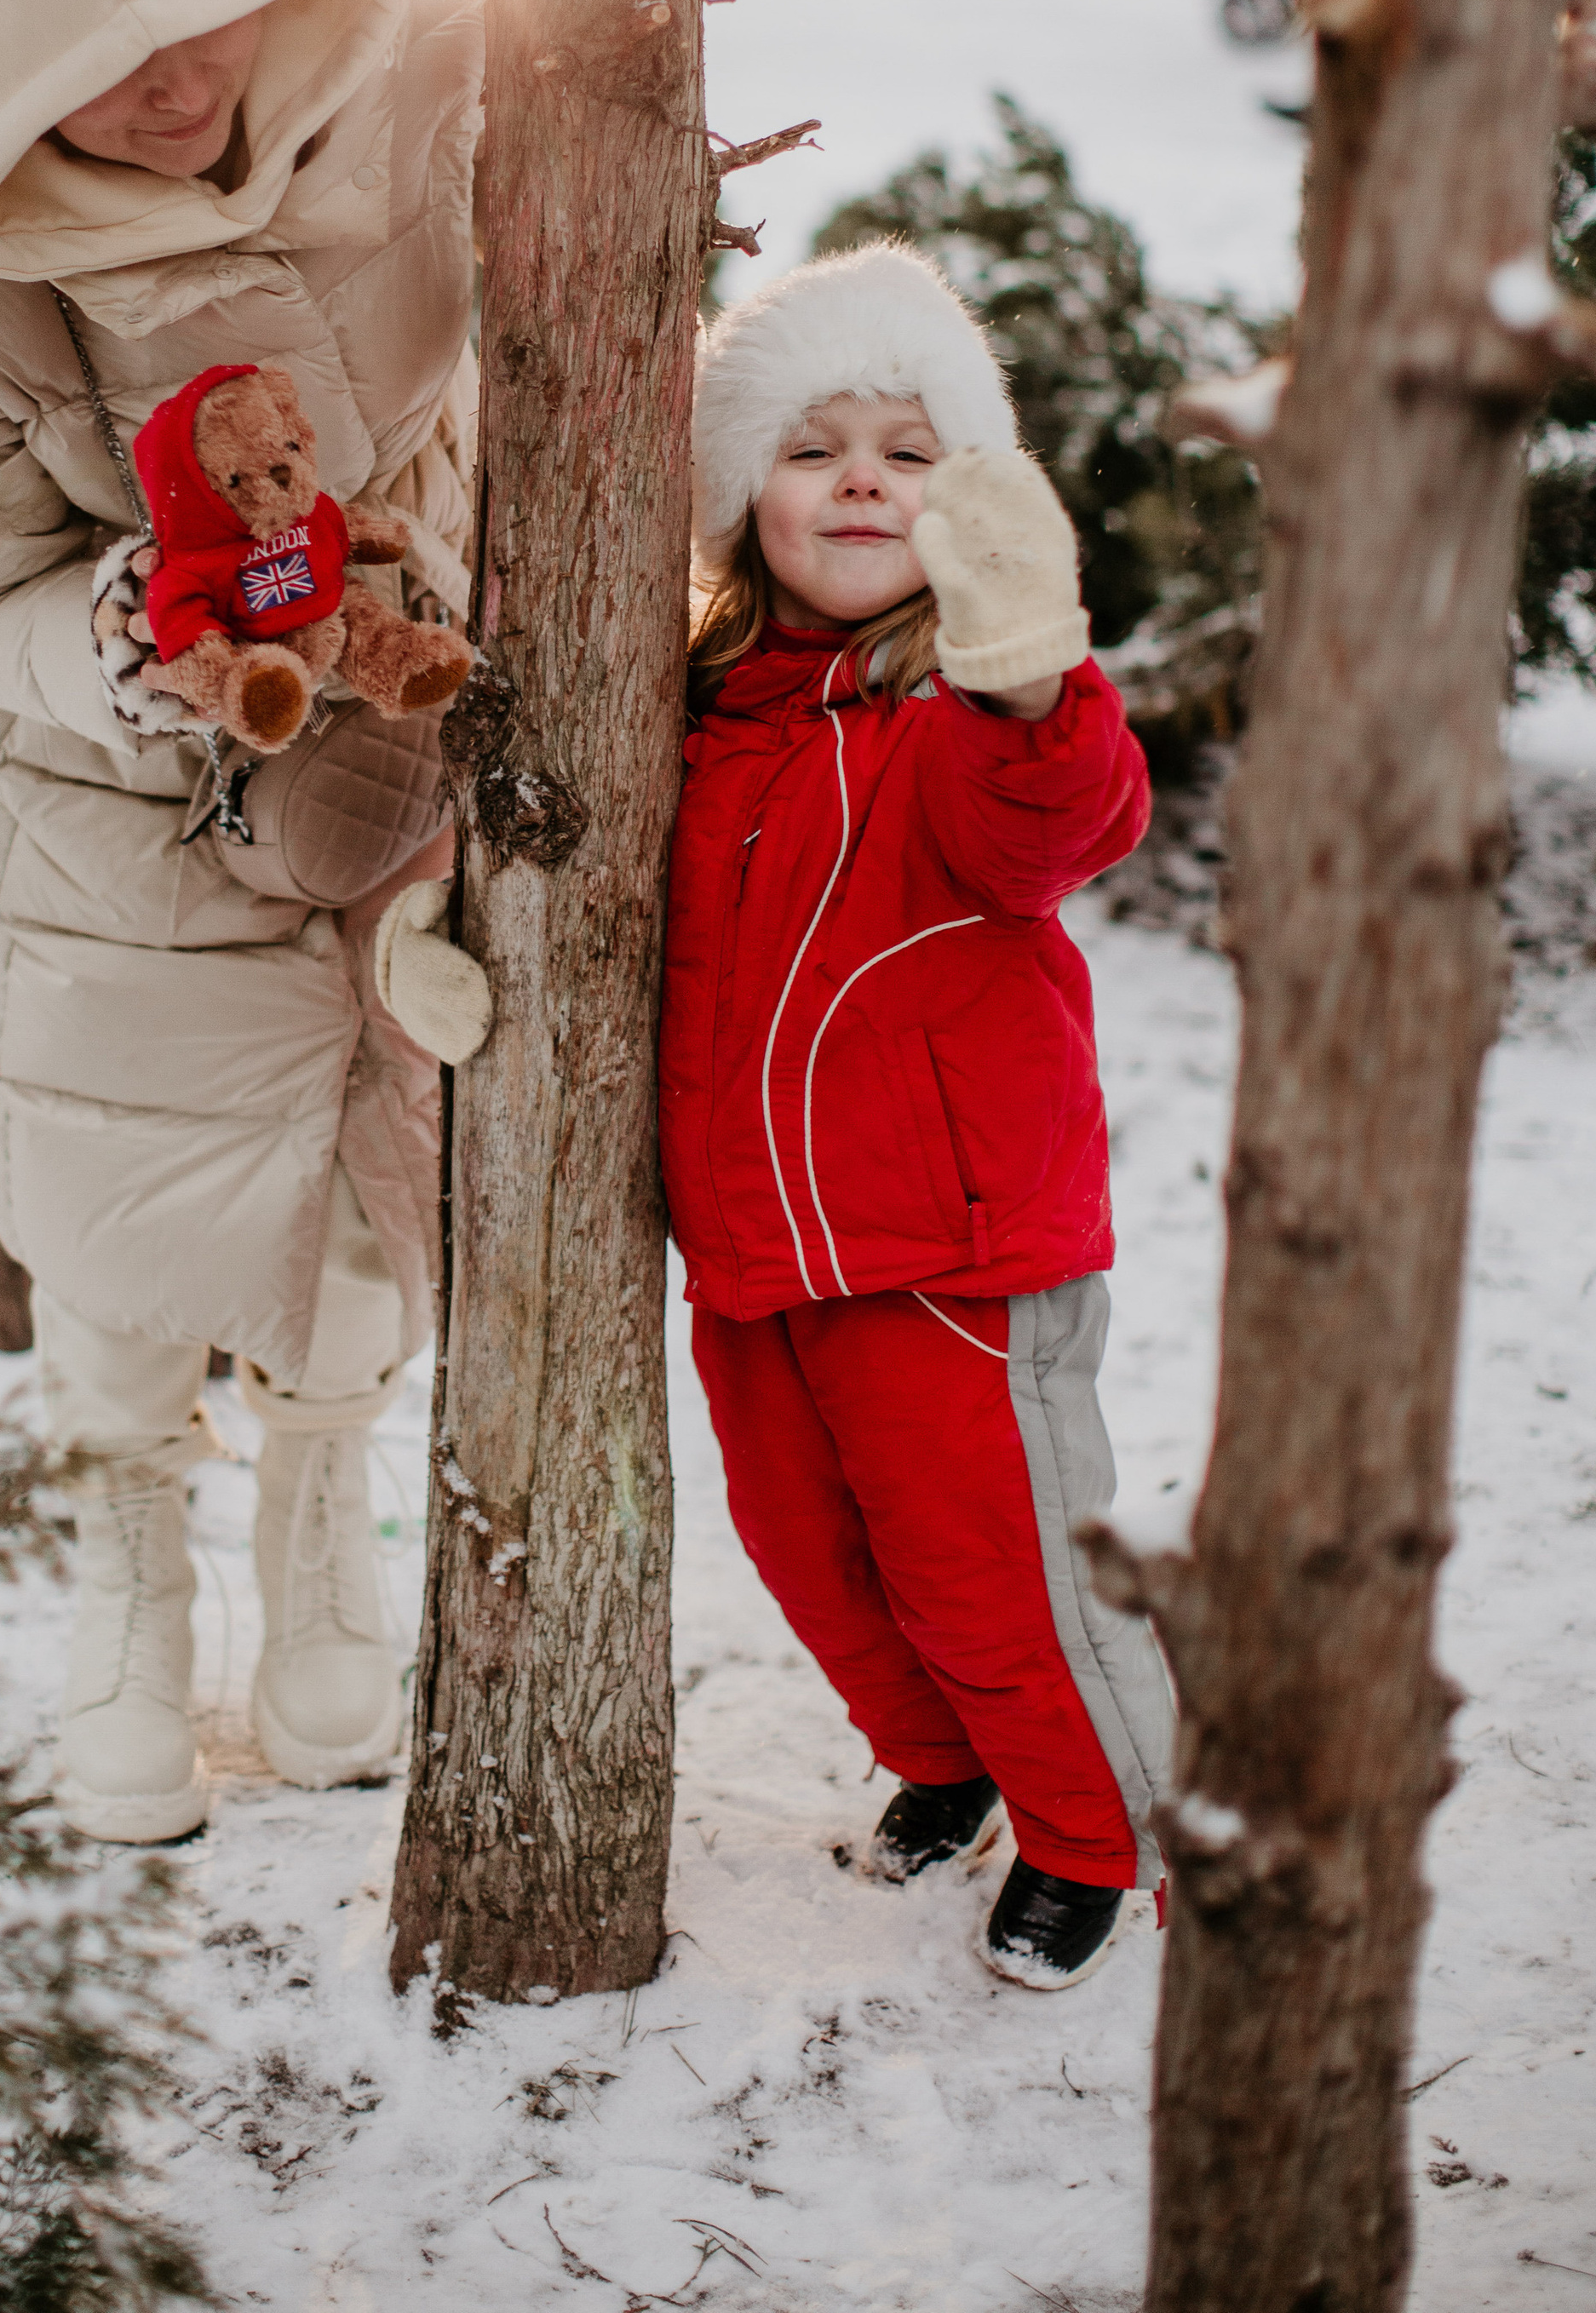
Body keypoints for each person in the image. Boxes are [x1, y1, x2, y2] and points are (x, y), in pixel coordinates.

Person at [0, 0, 486, 1844]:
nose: (178, 81)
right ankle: (125, 1576)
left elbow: (530, 364)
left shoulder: (414, 72)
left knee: (374, 1198)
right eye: (107, 57)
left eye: (202, 16)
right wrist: (133, 646)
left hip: (396, 726)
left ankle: (318, 1533)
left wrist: (433, 582)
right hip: (97, 800)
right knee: (127, 1231)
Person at [658, 244, 1176, 1989]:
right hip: (754, 1251)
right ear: (743, 495)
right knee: (809, 1558)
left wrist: (1030, 670)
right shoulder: (703, 710)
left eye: (906, 444)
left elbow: (1065, 822)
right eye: (813, 447)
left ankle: (1095, 1832)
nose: (862, 475)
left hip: (949, 1252)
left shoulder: (963, 706)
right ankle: (941, 1761)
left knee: (993, 1581)